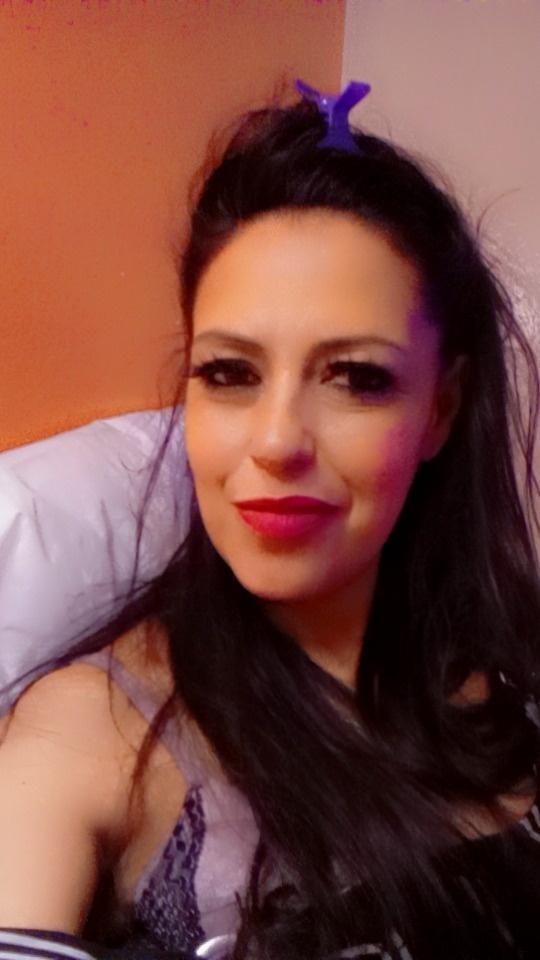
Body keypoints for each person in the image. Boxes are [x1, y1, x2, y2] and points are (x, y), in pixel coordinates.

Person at [1, 76, 540, 960]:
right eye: (229, 374)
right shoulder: (94, 733)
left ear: (441, 411)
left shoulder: (512, 652)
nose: (278, 441)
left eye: (356, 377)